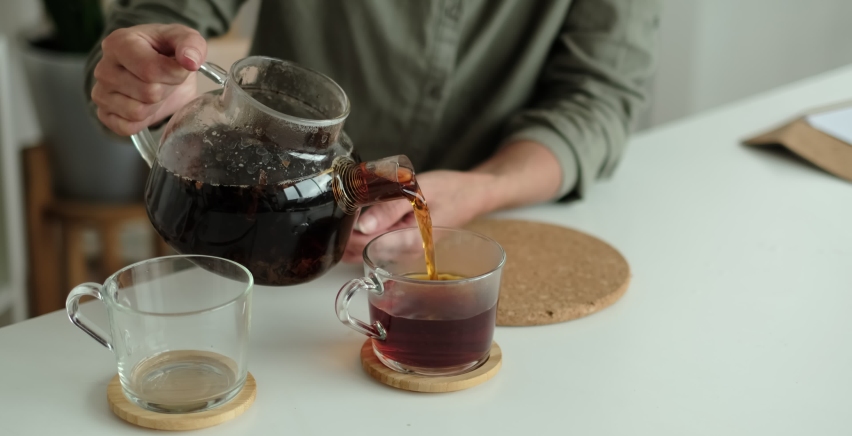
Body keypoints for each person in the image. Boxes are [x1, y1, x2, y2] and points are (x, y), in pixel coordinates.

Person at [86, 0, 661, 262]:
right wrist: (145, 75)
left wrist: (481, 188)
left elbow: (600, 96)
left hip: (488, 230)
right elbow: (159, 15)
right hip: (267, 243)